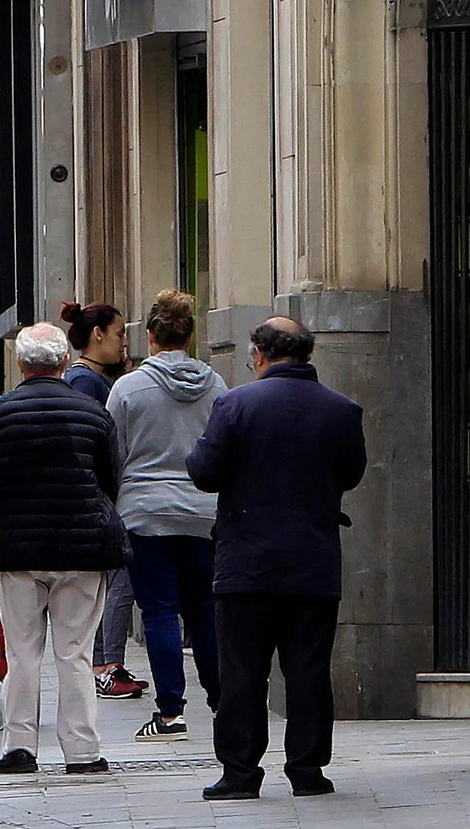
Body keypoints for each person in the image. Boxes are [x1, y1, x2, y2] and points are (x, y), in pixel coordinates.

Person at [187, 317, 366, 801]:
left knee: (243, 672)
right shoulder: (341, 409)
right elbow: (352, 474)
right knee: (308, 669)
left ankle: (240, 773)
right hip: (313, 561)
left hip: (246, 562)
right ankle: (308, 770)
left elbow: (204, 472)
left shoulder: (236, 405)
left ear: (260, 354)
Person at [0, 322, 130, 776]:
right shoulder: (93, 412)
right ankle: (82, 751)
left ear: (21, 364)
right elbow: (111, 482)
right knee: (75, 652)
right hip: (82, 550)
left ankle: (20, 748)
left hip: (19, 552)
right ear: (63, 362)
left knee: (22, 653)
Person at [105, 290, 227, 742]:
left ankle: (170, 711)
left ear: (151, 337)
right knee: (204, 612)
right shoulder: (215, 386)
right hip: (201, 512)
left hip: (144, 513)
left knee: (158, 612)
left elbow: (111, 453)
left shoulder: (128, 388)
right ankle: (221, 702)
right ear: (190, 336)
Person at [58, 300, 148, 702]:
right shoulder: (86, 383)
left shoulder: (94, 379)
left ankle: (107, 661)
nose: (123, 343)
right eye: (119, 334)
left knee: (113, 581)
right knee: (116, 581)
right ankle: (106, 664)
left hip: (99, 493)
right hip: (99, 494)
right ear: (98, 335)